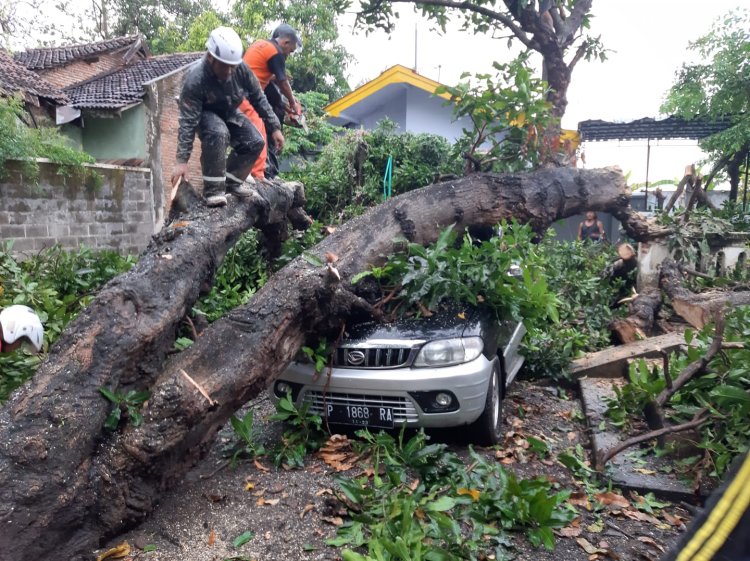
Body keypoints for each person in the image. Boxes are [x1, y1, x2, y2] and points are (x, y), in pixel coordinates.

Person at [171, 26, 284, 207]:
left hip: (228, 110)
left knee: (255, 141)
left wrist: (275, 127)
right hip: (203, 113)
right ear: (211, 58)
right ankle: (213, 191)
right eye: (225, 66)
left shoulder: (241, 69)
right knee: (218, 132)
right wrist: (181, 161)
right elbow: (187, 123)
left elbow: (258, 97)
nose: (230, 71)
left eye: (233, 66)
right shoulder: (195, 79)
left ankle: (231, 183)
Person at [239, 23, 303, 180]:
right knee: (260, 136)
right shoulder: (276, 52)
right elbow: (282, 82)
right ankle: (258, 176)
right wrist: (293, 103)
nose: (289, 54)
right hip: (246, 96)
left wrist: (285, 104)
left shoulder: (260, 45)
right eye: (291, 50)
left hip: (241, 92)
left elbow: (265, 77)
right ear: (286, 43)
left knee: (252, 134)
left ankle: (251, 173)